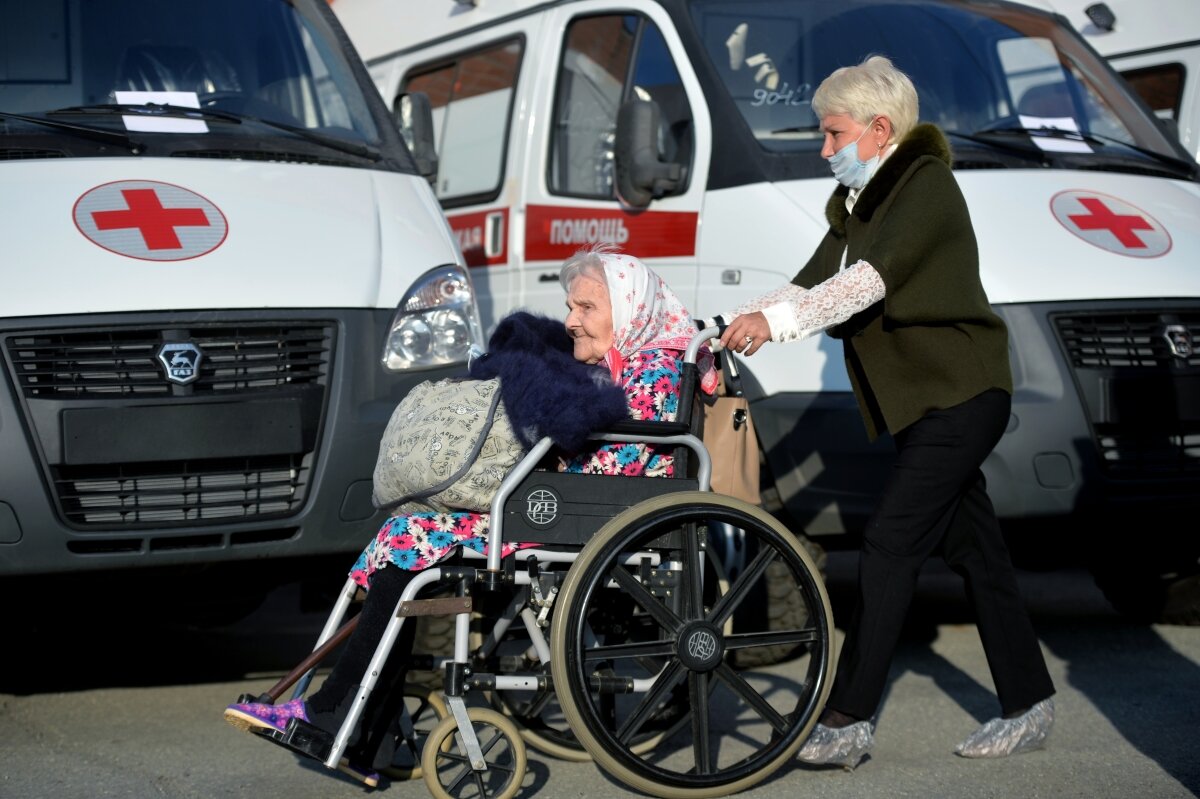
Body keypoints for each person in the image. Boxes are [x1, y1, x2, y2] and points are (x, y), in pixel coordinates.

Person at [224, 244, 715, 784]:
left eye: (585, 308)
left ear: (627, 310)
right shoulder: (619, 363)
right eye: (571, 306)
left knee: (410, 539)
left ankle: (340, 713)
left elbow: (613, 468)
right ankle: (363, 722)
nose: (571, 320)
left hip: (584, 517)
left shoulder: (654, 369)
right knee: (403, 536)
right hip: (560, 507)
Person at [715, 55, 1055, 768]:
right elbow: (812, 279)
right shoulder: (857, 204)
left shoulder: (925, 184)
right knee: (977, 552)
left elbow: (867, 283)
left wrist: (777, 328)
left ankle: (847, 718)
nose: (824, 147)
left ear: (878, 129)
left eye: (832, 133)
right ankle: (1029, 704)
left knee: (889, 545)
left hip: (962, 394)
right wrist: (735, 317)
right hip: (926, 405)